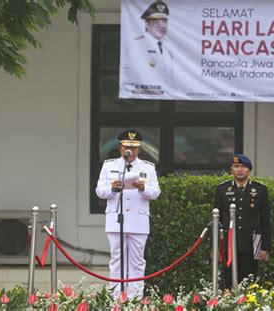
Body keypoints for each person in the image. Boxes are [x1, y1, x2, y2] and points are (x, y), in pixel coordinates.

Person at [95, 129, 161, 299]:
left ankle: (135, 298)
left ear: (139, 149)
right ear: (120, 147)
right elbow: (99, 191)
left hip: (139, 221)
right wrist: (112, 187)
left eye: (134, 147)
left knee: (137, 261)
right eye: (126, 147)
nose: (130, 151)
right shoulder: (109, 166)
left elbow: (155, 192)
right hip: (116, 219)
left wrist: (143, 188)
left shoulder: (148, 167)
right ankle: (117, 297)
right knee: (116, 259)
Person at [214, 154, 271, 289]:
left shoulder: (260, 190)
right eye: (236, 166)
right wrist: (216, 247)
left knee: (249, 282)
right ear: (231, 169)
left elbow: (265, 220)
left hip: (252, 242)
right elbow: (217, 220)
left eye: (244, 167)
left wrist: (265, 247)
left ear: (249, 170)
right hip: (228, 242)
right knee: (228, 283)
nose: (240, 170)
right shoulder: (222, 189)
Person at [121, 1, 175, 98]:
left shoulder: (168, 48)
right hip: (146, 101)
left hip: (166, 99)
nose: (162, 25)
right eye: (156, 21)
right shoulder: (137, 45)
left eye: (164, 21)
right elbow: (131, 78)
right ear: (147, 24)